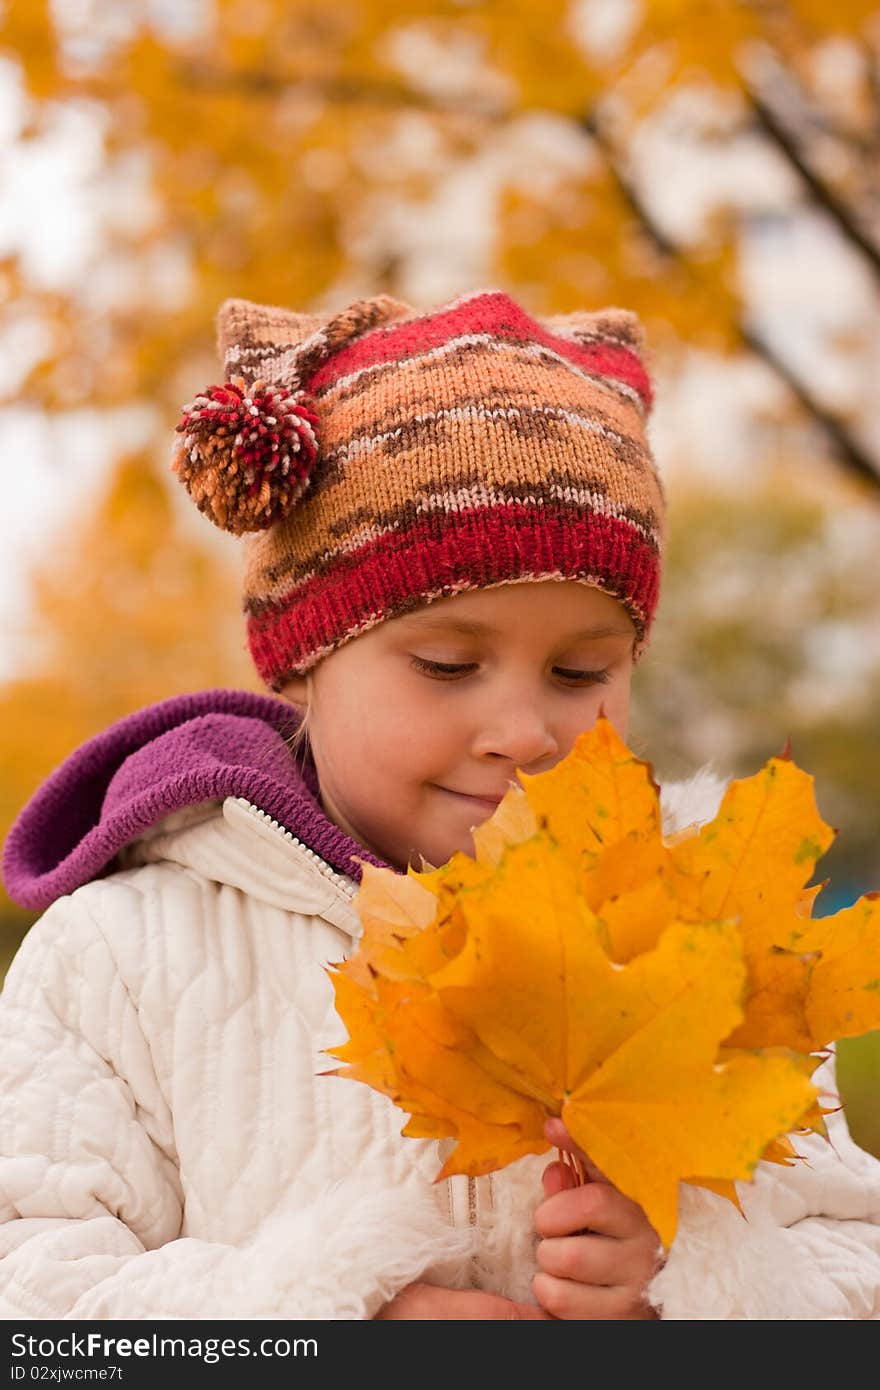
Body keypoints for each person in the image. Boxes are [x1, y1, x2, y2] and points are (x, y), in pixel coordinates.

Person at [1, 288, 879, 1322]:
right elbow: (41, 1307)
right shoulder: (125, 957)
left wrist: (688, 1289)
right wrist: (325, 1322)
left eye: (578, 671)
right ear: (302, 663)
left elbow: (851, 1268)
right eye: (448, 663)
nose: (524, 729)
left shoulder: (695, 940)